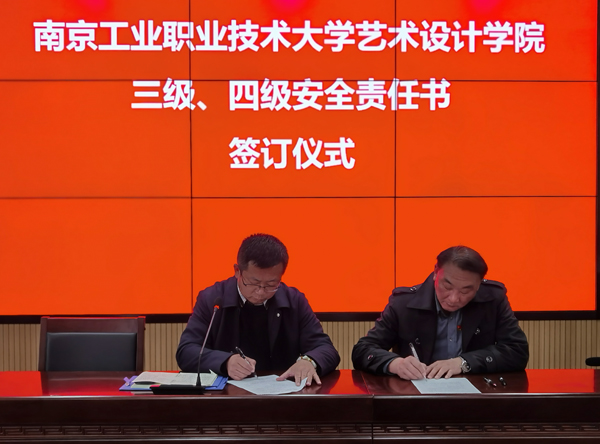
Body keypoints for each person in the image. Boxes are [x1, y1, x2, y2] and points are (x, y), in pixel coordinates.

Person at [176, 233, 340, 386]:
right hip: (226, 397)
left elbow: (326, 349)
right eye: (253, 283)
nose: (260, 292)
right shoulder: (213, 299)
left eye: (271, 284)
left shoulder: (294, 301)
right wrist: (226, 361)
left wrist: (309, 361)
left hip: (282, 394)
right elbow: (187, 351)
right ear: (237, 271)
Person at [352, 245, 528, 380]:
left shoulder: (493, 299)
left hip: (477, 398)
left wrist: (464, 362)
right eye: (447, 286)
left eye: (466, 291)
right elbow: (363, 350)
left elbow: (517, 351)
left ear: (479, 284)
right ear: (436, 273)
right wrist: (395, 363)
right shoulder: (404, 304)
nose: (454, 298)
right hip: (417, 399)